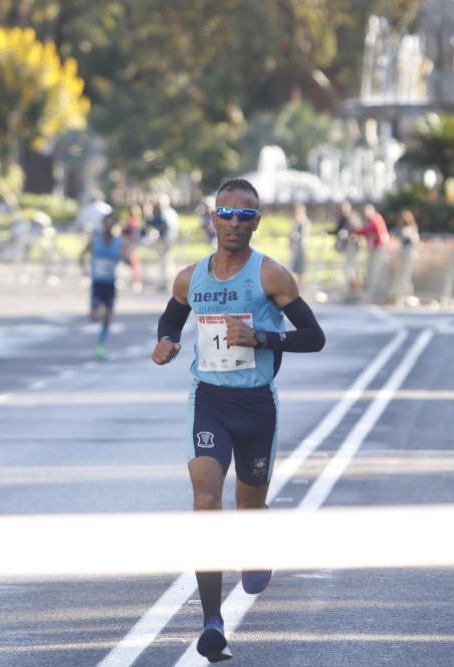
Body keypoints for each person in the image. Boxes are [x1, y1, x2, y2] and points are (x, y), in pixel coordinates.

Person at [151, 177, 325, 662]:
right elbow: (171, 319)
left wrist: (264, 340)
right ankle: (211, 622)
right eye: (225, 213)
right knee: (206, 500)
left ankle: (258, 544)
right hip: (209, 401)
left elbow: (314, 337)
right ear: (212, 217)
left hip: (257, 408)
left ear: (256, 222)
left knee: (250, 507)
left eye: (245, 216)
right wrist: (166, 342)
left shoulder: (271, 276)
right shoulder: (191, 278)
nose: (234, 223)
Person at [80, 212, 131, 359]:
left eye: (112, 223)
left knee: (107, 319)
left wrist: (124, 256)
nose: (109, 226)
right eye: (107, 222)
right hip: (97, 283)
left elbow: (128, 262)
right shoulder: (95, 239)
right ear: (103, 224)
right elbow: (81, 255)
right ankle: (95, 312)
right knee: (95, 317)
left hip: (111, 283)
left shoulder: (119, 242)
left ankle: (100, 345)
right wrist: (84, 269)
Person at [356, 203, 390, 301]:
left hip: (379, 248)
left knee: (376, 269)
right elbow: (363, 230)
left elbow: (380, 233)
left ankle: (376, 291)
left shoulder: (376, 219)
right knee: (370, 269)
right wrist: (355, 233)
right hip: (372, 249)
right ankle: (370, 290)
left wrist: (375, 243)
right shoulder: (368, 221)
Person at [148, 194, 180, 290]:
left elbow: (165, 227)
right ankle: (164, 282)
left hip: (166, 240)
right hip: (166, 240)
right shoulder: (168, 212)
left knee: (166, 261)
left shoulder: (166, 213)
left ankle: (168, 282)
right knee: (163, 262)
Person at [334, 201, 361, 301]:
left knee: (352, 270)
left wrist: (350, 236)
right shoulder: (341, 220)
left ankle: (354, 291)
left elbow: (358, 232)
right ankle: (348, 292)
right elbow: (337, 231)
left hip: (352, 249)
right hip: (344, 250)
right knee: (346, 271)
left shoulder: (353, 219)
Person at [394, 209, 420, 305]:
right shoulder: (407, 230)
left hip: (408, 256)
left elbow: (412, 242)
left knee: (406, 276)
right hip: (405, 256)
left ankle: (407, 296)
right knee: (404, 276)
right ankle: (403, 296)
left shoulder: (409, 230)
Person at [120, 204, 145, 292]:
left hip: (132, 246)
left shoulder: (136, 223)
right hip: (126, 245)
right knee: (125, 264)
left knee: (135, 265)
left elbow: (135, 235)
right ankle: (128, 281)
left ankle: (136, 282)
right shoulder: (128, 222)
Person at [289, 202, 311, 288]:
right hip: (296, 247)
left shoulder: (304, 221)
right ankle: (298, 284)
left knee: (302, 267)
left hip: (302, 247)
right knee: (296, 266)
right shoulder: (297, 221)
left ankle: (302, 284)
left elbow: (303, 235)